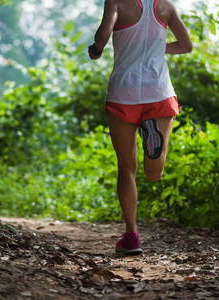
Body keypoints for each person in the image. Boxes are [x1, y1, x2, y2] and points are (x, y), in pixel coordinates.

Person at [89, 0, 192, 255]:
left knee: (126, 167)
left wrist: (97, 49)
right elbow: (186, 46)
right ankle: (152, 135)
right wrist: (154, 47)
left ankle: (131, 236)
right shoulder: (165, 6)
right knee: (153, 173)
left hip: (124, 93)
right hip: (158, 93)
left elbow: (103, 32)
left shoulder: (116, 2)